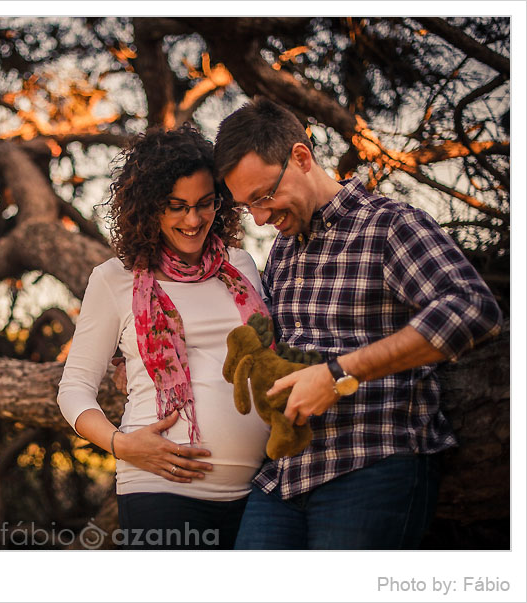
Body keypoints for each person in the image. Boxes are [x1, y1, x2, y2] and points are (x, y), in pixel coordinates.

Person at [213, 96, 504, 549]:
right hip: (283, 477)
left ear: (301, 157)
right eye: (247, 206)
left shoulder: (390, 224)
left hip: (370, 463)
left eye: (264, 196)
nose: (261, 217)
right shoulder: (283, 252)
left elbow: (472, 309)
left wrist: (339, 375)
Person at [57, 125, 272, 549]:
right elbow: (73, 391)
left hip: (259, 493)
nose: (193, 220)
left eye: (205, 204)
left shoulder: (242, 266)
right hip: (161, 492)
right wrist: (121, 445)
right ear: (148, 206)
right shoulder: (114, 280)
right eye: (176, 207)